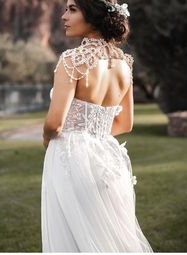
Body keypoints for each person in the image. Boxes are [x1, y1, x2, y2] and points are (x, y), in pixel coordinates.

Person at [41, 0, 153, 252]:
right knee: (108, 236)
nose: (63, 16)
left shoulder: (71, 60)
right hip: (109, 157)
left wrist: (49, 140)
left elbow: (54, 123)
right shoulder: (124, 64)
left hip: (70, 156)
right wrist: (93, 135)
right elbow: (125, 123)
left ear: (92, 15)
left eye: (72, 9)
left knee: (72, 237)